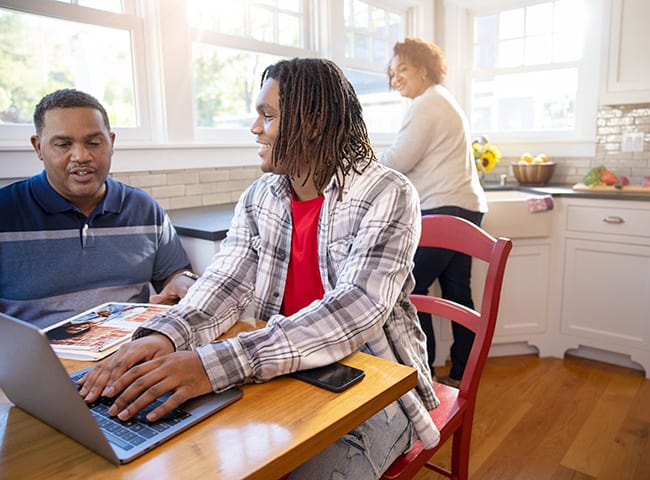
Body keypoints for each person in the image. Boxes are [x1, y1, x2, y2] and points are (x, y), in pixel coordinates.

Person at [78, 58, 440, 479]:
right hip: (283, 370)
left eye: (267, 116)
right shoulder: (259, 197)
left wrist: (211, 366)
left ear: (314, 121)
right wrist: (167, 336)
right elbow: (225, 282)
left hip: (375, 385)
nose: (255, 128)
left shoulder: (388, 192)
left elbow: (354, 311)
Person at [0, 89, 197, 329]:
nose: (81, 156)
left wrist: (183, 281)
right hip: (41, 362)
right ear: (38, 147)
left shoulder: (145, 210)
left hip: (134, 352)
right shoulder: (6, 211)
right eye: (63, 144)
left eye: (93, 143)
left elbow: (174, 274)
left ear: (111, 142)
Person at [379, 38, 488, 388]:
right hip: (465, 206)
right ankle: (462, 375)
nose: (395, 78)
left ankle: (424, 373)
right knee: (458, 293)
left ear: (424, 68)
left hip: (442, 207)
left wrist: (360, 165)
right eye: (392, 72)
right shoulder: (443, 101)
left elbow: (398, 160)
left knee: (410, 290)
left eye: (403, 69)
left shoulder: (426, 104)